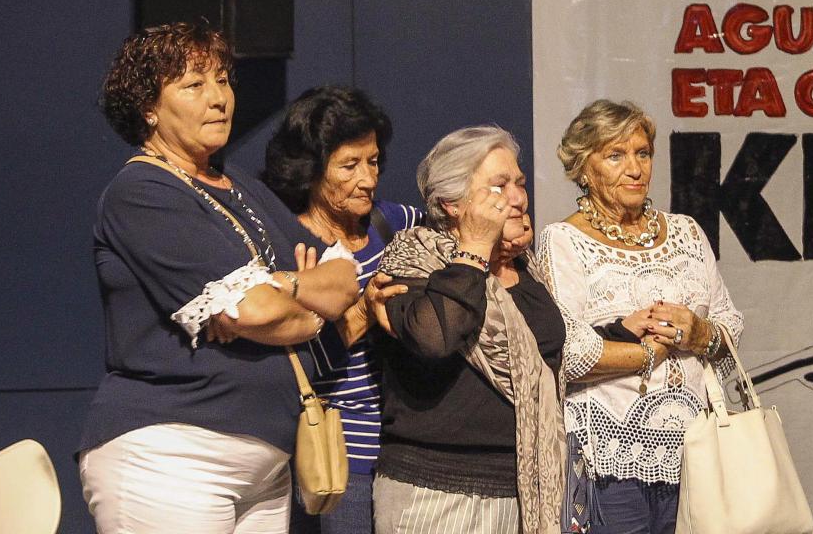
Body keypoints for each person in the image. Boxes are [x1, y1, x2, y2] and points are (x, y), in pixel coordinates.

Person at [80, 22, 360, 534]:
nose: (219, 99)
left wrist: (284, 288)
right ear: (148, 107)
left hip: (267, 465)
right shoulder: (141, 190)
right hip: (174, 458)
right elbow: (250, 311)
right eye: (194, 85)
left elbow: (344, 275)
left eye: (224, 80)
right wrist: (291, 302)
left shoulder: (241, 187)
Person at [535, 99, 744, 534]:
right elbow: (565, 354)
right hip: (611, 461)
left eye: (642, 153)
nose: (635, 168)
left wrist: (701, 331)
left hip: (696, 450)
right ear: (583, 168)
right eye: (615, 155)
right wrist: (649, 354)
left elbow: (730, 328)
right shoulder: (564, 242)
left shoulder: (686, 231)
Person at [370, 125, 565, 534]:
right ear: (452, 204)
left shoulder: (528, 269)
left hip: (518, 490)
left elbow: (548, 356)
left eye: (520, 183)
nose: (517, 198)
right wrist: (474, 250)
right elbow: (435, 337)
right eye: (498, 186)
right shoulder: (414, 259)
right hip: (436, 492)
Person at [260, 85, 424, 534]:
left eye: (372, 161)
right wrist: (360, 315)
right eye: (350, 166)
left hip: (404, 454)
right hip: (336, 455)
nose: (368, 179)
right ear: (310, 170)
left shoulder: (396, 224)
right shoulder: (290, 252)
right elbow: (292, 370)